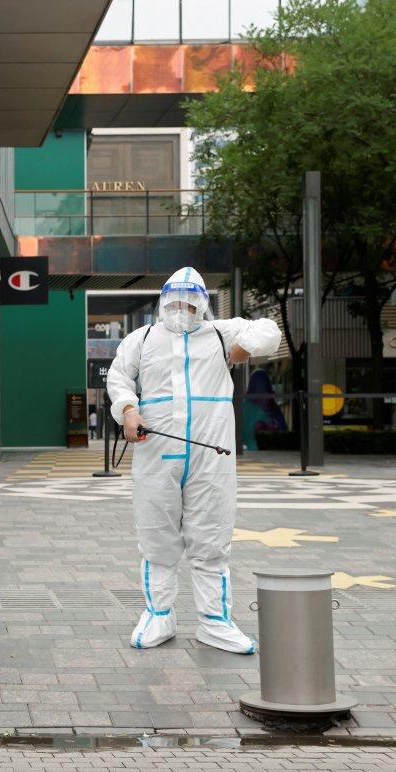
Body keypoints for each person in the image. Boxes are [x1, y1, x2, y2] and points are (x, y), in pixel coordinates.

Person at [106, 267, 280, 654]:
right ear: (163, 302)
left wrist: (243, 348)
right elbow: (118, 377)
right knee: (157, 536)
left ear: (202, 303)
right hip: (157, 454)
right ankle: (158, 615)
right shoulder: (144, 338)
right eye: (175, 302)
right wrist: (129, 409)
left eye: (189, 302)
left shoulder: (219, 333)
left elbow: (270, 331)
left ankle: (215, 622)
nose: (181, 309)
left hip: (210, 456)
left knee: (212, 537)